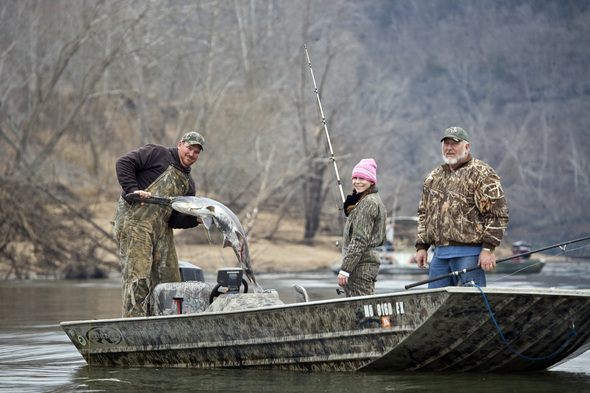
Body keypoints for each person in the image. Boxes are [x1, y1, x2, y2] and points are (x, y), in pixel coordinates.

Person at [113, 132, 205, 317]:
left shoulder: (188, 184)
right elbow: (123, 163)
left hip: (162, 230)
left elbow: (174, 219)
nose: (191, 154)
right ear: (180, 144)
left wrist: (195, 220)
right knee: (138, 280)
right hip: (136, 224)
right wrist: (133, 189)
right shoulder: (157, 153)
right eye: (189, 148)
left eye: (196, 152)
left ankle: (164, 324)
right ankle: (133, 324)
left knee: (170, 281)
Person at [415, 126, 509, 288]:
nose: (449, 148)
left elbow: (497, 215)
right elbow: (424, 214)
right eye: (446, 144)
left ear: (466, 147)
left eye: (454, 144)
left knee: (472, 304)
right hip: (440, 255)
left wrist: (488, 249)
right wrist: (421, 247)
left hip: (470, 254)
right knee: (433, 302)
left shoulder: (482, 173)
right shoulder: (433, 177)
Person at [338, 158, 387, 297]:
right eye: (355, 178)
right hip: (362, 263)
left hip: (361, 266)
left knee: (363, 310)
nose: (357, 182)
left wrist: (345, 270)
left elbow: (360, 239)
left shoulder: (368, 203)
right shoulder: (367, 200)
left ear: (371, 181)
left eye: (362, 178)